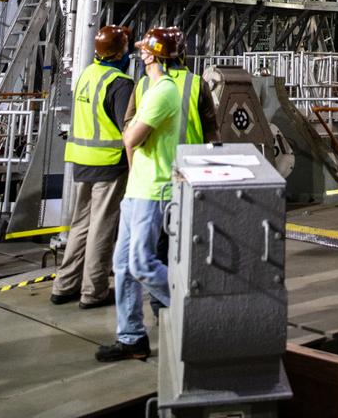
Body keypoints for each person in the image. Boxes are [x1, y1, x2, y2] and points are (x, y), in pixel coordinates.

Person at [95, 27, 181, 363]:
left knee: (143, 263)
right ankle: (132, 338)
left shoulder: (163, 92)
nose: (140, 52)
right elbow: (131, 135)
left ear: (155, 55)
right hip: (138, 188)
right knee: (123, 265)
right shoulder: (150, 88)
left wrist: (131, 137)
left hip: (153, 188)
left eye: (146, 49)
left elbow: (131, 137)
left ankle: (193, 307)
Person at [51, 25, 133, 309]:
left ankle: (64, 284)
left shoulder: (86, 74)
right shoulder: (121, 83)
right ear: (121, 52)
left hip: (81, 160)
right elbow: (129, 128)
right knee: (102, 227)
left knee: (80, 224)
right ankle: (93, 290)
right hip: (109, 164)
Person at [125, 27, 219, 146]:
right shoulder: (197, 83)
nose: (143, 59)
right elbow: (211, 131)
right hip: (189, 160)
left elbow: (128, 128)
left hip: (150, 162)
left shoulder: (142, 84)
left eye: (145, 55)